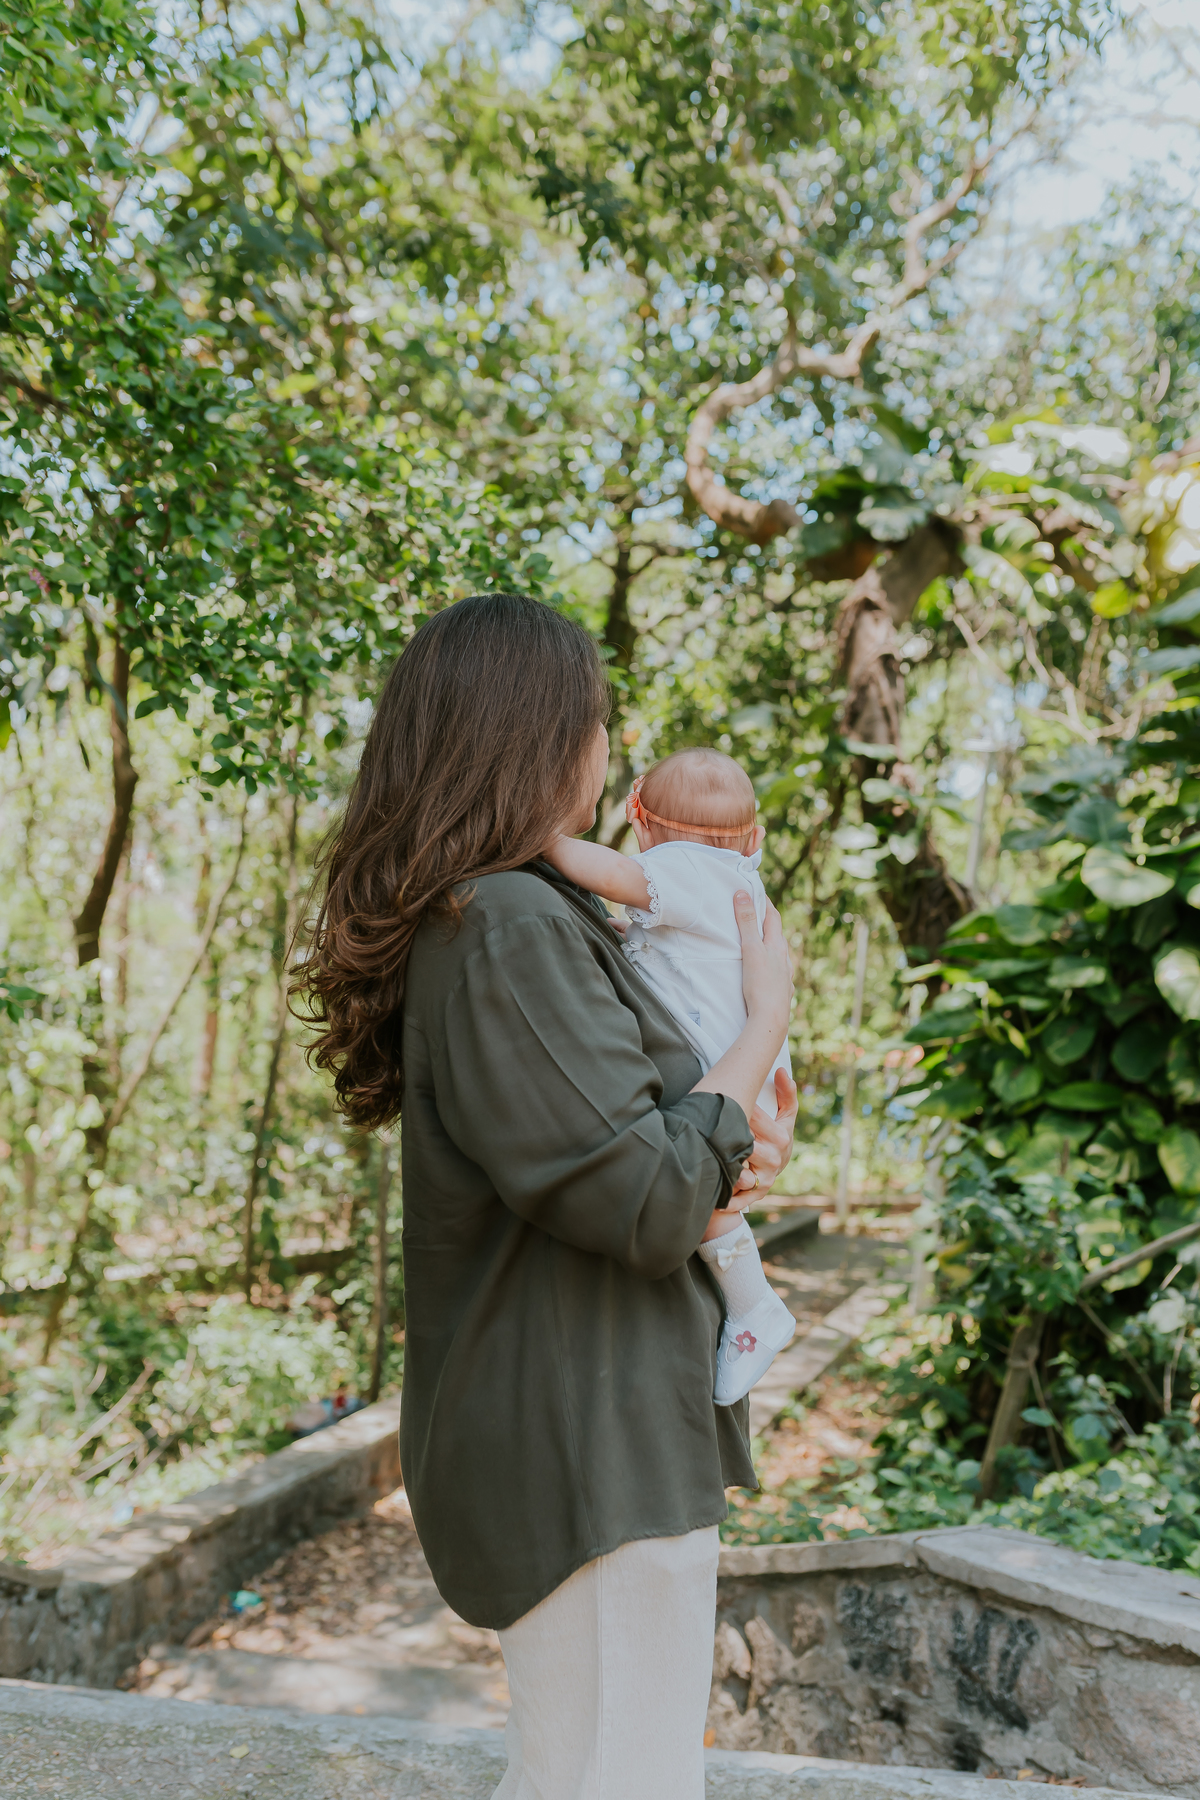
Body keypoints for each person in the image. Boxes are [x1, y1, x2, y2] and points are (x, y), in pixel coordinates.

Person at [295, 593, 796, 1800]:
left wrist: (722, 1141)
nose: (607, 749)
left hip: (606, 1425)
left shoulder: (523, 910)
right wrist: (765, 1021)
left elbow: (646, 1153)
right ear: (536, 738)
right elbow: (641, 1198)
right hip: (592, 1444)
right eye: (596, 721)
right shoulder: (508, 920)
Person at [545, 745, 797, 1404]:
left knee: (700, 1188)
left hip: (724, 1073)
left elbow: (602, 870)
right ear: (756, 838)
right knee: (713, 1192)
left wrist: (542, 836)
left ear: (638, 818)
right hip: (754, 1066)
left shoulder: (681, 868)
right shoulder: (740, 879)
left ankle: (754, 1307)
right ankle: (749, 1307)